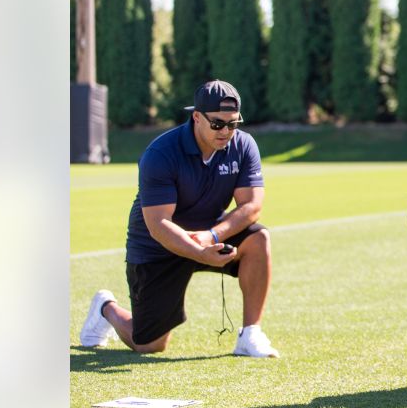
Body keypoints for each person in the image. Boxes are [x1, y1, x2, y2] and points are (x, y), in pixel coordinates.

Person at [77, 80, 280, 358]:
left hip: (207, 234)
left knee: (258, 238)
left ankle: (250, 333)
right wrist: (198, 252)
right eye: (218, 124)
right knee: (149, 345)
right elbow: (158, 224)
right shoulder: (161, 153)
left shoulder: (243, 145)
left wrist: (211, 236)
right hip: (156, 246)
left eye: (233, 124)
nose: (226, 132)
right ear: (197, 117)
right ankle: (106, 308)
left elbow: (252, 205)